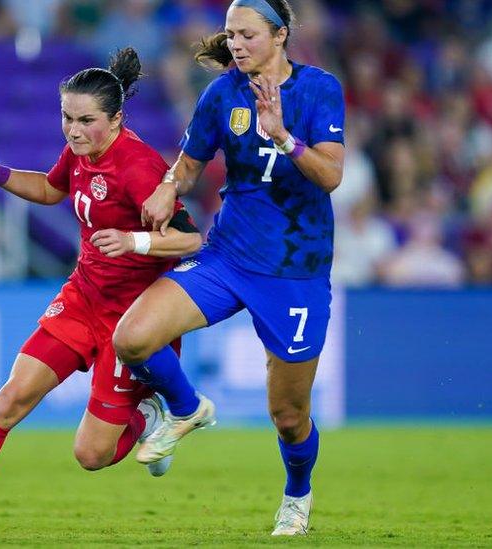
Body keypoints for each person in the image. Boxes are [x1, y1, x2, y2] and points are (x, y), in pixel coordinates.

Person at [0, 47, 202, 537]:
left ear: (116, 120)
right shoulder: (78, 152)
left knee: (91, 455)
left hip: (132, 319)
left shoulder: (138, 166)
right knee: (13, 397)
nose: (73, 131)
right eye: (66, 117)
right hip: (82, 299)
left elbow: (191, 238)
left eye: (85, 120)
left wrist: (134, 240)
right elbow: (52, 190)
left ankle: (146, 411)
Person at [111, 0, 344, 537]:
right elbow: (190, 164)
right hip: (228, 257)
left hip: (294, 271)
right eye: (229, 34)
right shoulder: (222, 93)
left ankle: (296, 496)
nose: (234, 44)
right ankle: (187, 407)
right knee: (133, 339)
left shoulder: (319, 89)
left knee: (288, 416)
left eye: (245, 34)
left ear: (279, 35)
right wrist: (170, 186)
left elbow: (331, 176)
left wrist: (284, 136)